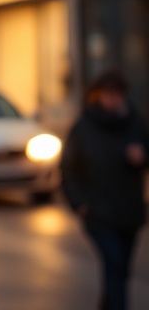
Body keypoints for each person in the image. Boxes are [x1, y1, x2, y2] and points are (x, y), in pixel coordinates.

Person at [61, 70, 148, 310]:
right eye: (108, 94)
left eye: (118, 94)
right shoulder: (84, 126)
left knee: (121, 271)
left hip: (129, 211)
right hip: (98, 213)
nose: (114, 99)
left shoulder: (135, 122)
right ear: (98, 95)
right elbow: (68, 169)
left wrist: (141, 158)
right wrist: (78, 203)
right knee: (115, 264)